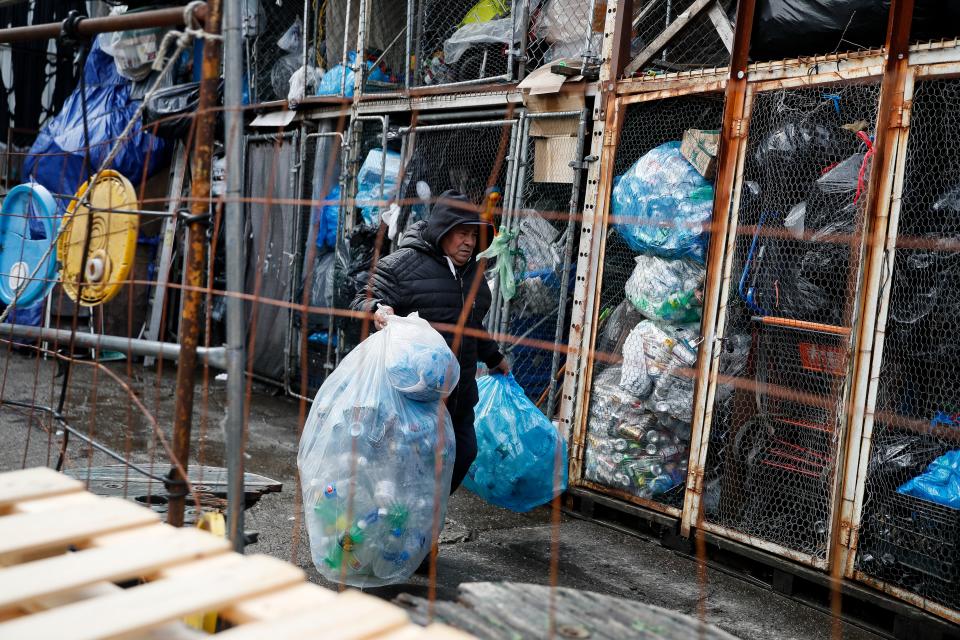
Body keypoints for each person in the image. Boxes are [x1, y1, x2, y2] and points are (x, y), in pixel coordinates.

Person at [351, 190, 510, 497]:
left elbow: (472, 324)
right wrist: (376, 312)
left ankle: (423, 521)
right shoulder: (403, 265)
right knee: (410, 475)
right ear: (442, 232)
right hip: (416, 400)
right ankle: (409, 532)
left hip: (460, 396)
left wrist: (493, 357)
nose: (469, 242)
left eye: (474, 236)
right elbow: (362, 298)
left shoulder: (472, 273)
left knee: (464, 454)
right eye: (462, 234)